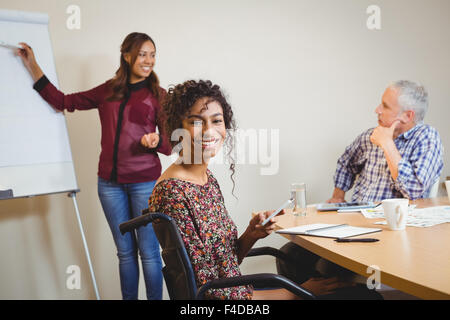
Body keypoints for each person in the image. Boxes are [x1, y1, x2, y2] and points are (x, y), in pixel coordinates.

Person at [147, 79, 364, 300]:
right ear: (178, 128)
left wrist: (251, 234)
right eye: (195, 122)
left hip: (239, 293)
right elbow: (209, 290)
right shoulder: (173, 192)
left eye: (216, 121)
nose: (209, 131)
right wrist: (297, 293)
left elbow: (225, 263)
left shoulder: (206, 180)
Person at [16, 32, 171, 300]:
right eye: (143, 54)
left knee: (149, 254)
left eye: (153, 54)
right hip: (109, 185)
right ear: (126, 55)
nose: (149, 60)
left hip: (145, 183)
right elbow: (63, 101)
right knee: (125, 254)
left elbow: (170, 144)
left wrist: (156, 140)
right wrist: (32, 65)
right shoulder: (107, 91)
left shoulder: (159, 96)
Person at [328, 80, 443, 203]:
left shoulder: (427, 137)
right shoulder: (371, 135)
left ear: (407, 116)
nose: (377, 110)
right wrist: (337, 197)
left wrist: (387, 144)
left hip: (397, 220)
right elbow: (346, 163)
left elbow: (413, 190)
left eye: (385, 106)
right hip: (357, 214)